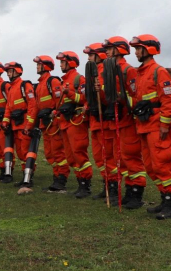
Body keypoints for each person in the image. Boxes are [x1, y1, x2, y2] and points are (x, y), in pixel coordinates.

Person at [129, 35, 171, 219]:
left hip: (157, 126)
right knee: (151, 167)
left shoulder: (159, 72)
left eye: (138, 49)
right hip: (144, 126)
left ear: (148, 49)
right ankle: (164, 198)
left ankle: (170, 204)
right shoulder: (139, 73)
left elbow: (169, 100)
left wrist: (165, 124)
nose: (136, 52)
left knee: (162, 165)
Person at [102, 37, 147, 209]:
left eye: (109, 48)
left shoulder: (128, 70)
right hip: (116, 122)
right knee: (120, 158)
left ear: (119, 49)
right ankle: (128, 191)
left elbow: (136, 96)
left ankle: (136, 193)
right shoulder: (110, 70)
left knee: (131, 157)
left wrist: (121, 98)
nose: (106, 51)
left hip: (127, 121)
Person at [25, 56, 67, 193]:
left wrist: (53, 113)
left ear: (46, 66)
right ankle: (56, 177)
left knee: (58, 152)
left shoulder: (52, 81)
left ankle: (62, 179)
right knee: (49, 153)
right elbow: (36, 107)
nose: (37, 67)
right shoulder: (39, 85)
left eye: (39, 64)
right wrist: (30, 125)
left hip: (54, 123)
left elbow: (60, 101)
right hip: (45, 124)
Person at [56, 51, 93, 198]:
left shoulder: (79, 79)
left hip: (76, 121)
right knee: (71, 156)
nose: (60, 65)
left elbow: (85, 98)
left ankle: (86, 185)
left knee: (79, 153)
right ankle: (80, 183)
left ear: (70, 62)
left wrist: (69, 93)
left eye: (62, 62)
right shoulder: (63, 81)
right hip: (65, 122)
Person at [1, 62, 37, 187]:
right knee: (20, 152)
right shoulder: (11, 88)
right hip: (15, 125)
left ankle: (28, 177)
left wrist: (29, 124)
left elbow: (32, 105)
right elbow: (8, 107)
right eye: (7, 71)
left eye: (10, 71)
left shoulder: (25, 85)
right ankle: (25, 175)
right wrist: (5, 121)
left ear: (17, 71)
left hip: (24, 125)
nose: (8, 74)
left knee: (26, 151)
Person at [82, 43, 110, 200]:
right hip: (94, 121)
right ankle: (107, 185)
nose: (88, 58)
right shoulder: (93, 72)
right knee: (99, 157)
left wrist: (101, 90)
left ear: (100, 55)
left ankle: (113, 187)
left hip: (103, 121)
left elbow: (108, 95)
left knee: (108, 156)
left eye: (91, 55)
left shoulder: (105, 71)